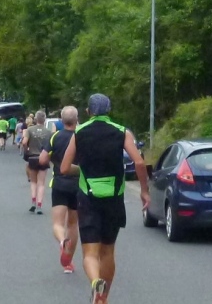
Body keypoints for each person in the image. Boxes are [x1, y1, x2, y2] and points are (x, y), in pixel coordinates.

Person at [61, 94, 149, 304]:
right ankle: (103, 298)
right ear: (109, 110)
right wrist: (144, 191)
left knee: (90, 254)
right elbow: (139, 162)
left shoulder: (79, 132)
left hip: (88, 198)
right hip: (114, 198)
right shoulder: (121, 132)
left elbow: (64, 168)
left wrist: (82, 171)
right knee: (108, 251)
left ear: (88, 112)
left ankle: (95, 282)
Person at [39, 105, 80, 274]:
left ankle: (62, 241)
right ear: (77, 120)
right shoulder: (81, 137)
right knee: (73, 224)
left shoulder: (55, 136)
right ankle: (68, 262)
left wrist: (54, 160)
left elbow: (42, 159)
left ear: (62, 121)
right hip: (78, 185)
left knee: (57, 223)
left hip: (59, 184)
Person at [22, 110, 51, 214]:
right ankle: (39, 205)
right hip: (43, 158)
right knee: (41, 183)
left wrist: (27, 150)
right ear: (44, 119)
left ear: (35, 119)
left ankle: (33, 202)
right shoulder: (49, 132)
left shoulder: (30, 130)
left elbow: (24, 142)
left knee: (33, 182)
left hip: (32, 157)